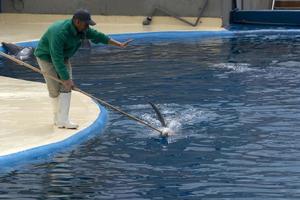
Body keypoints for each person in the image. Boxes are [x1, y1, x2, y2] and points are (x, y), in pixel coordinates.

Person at [34, 9, 132, 129]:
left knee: (66, 86)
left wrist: (119, 44)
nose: (88, 27)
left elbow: (98, 36)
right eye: (86, 24)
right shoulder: (60, 32)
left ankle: (63, 119)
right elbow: (56, 57)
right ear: (77, 21)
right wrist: (65, 78)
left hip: (63, 56)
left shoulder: (83, 30)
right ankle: (57, 119)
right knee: (54, 88)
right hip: (46, 56)